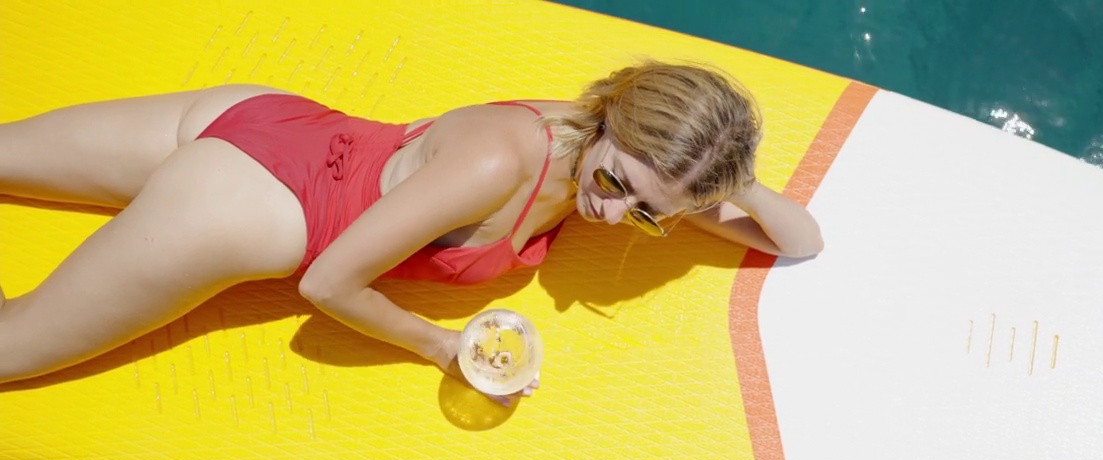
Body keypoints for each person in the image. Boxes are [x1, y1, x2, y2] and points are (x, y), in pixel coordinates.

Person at [0, 61, 823, 403]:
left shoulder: (615, 141)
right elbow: (327, 282)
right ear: (613, 121)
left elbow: (797, 241)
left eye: (649, 215)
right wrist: (443, 347)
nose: (614, 216)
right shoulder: (499, 162)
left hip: (259, 118)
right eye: (614, 185)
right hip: (245, 210)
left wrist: (728, 178)